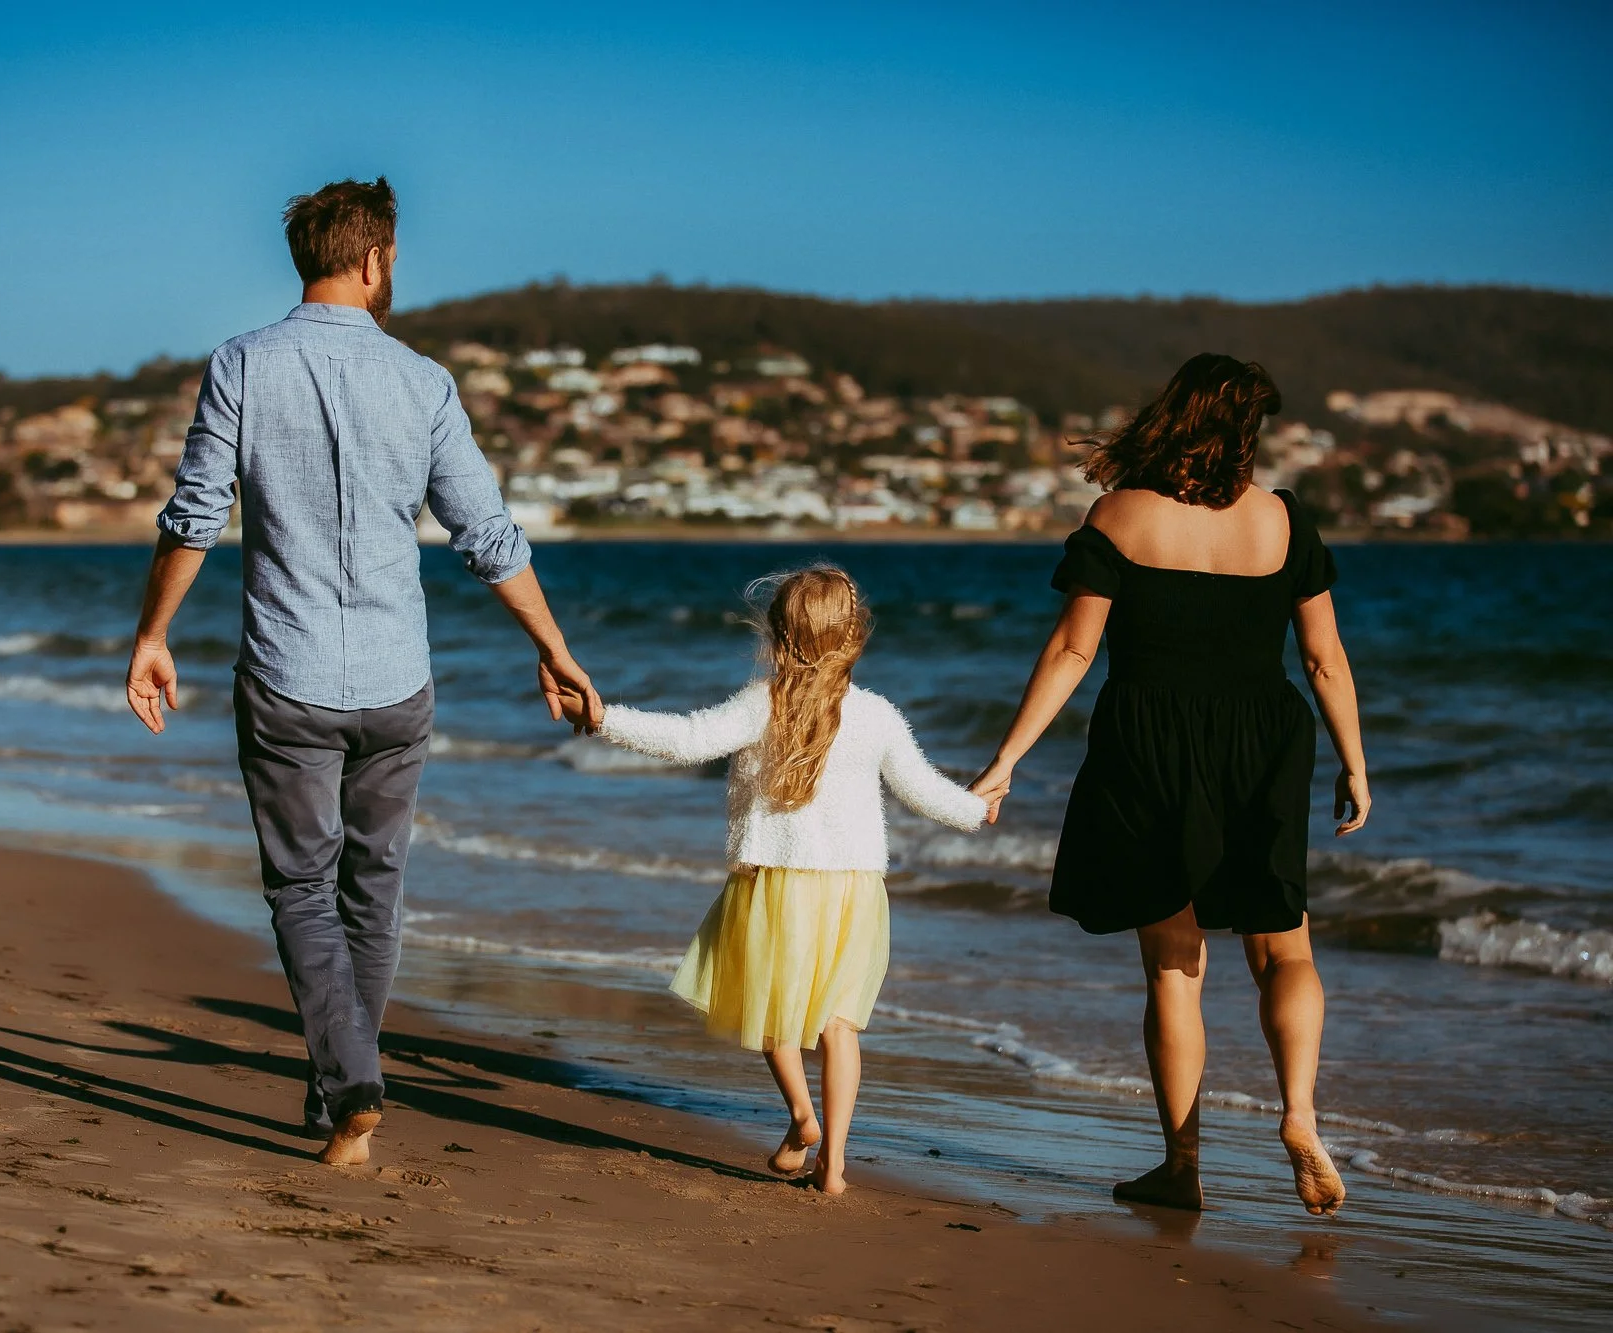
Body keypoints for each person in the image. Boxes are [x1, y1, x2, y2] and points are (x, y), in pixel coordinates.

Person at [124, 177, 603, 1168]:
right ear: (377, 258)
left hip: (288, 674)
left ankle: (348, 1084)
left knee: (302, 889)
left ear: (307, 257)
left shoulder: (241, 365)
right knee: (370, 892)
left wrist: (152, 636)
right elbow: (488, 533)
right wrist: (551, 648)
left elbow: (194, 516)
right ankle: (343, 1085)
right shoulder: (422, 381)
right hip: (396, 682)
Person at [970, 353, 1368, 1216]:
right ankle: (1298, 1113)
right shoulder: (1283, 523)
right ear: (1246, 432)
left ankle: (1181, 1166)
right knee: (1285, 947)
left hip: (1149, 740)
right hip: (1264, 740)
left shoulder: (1120, 516)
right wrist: (1355, 763)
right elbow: (1323, 660)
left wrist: (1007, 757)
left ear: (1173, 416)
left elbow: (1073, 651)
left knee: (1173, 967)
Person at [581, 566, 988, 1195]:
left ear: (777, 632)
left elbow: (686, 740)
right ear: (855, 634)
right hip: (854, 890)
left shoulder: (759, 703)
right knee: (839, 1027)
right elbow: (926, 792)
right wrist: (978, 809)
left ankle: (803, 1118)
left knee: (774, 1011)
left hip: (775, 881)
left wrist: (603, 717)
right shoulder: (878, 716)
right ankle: (836, 1166)